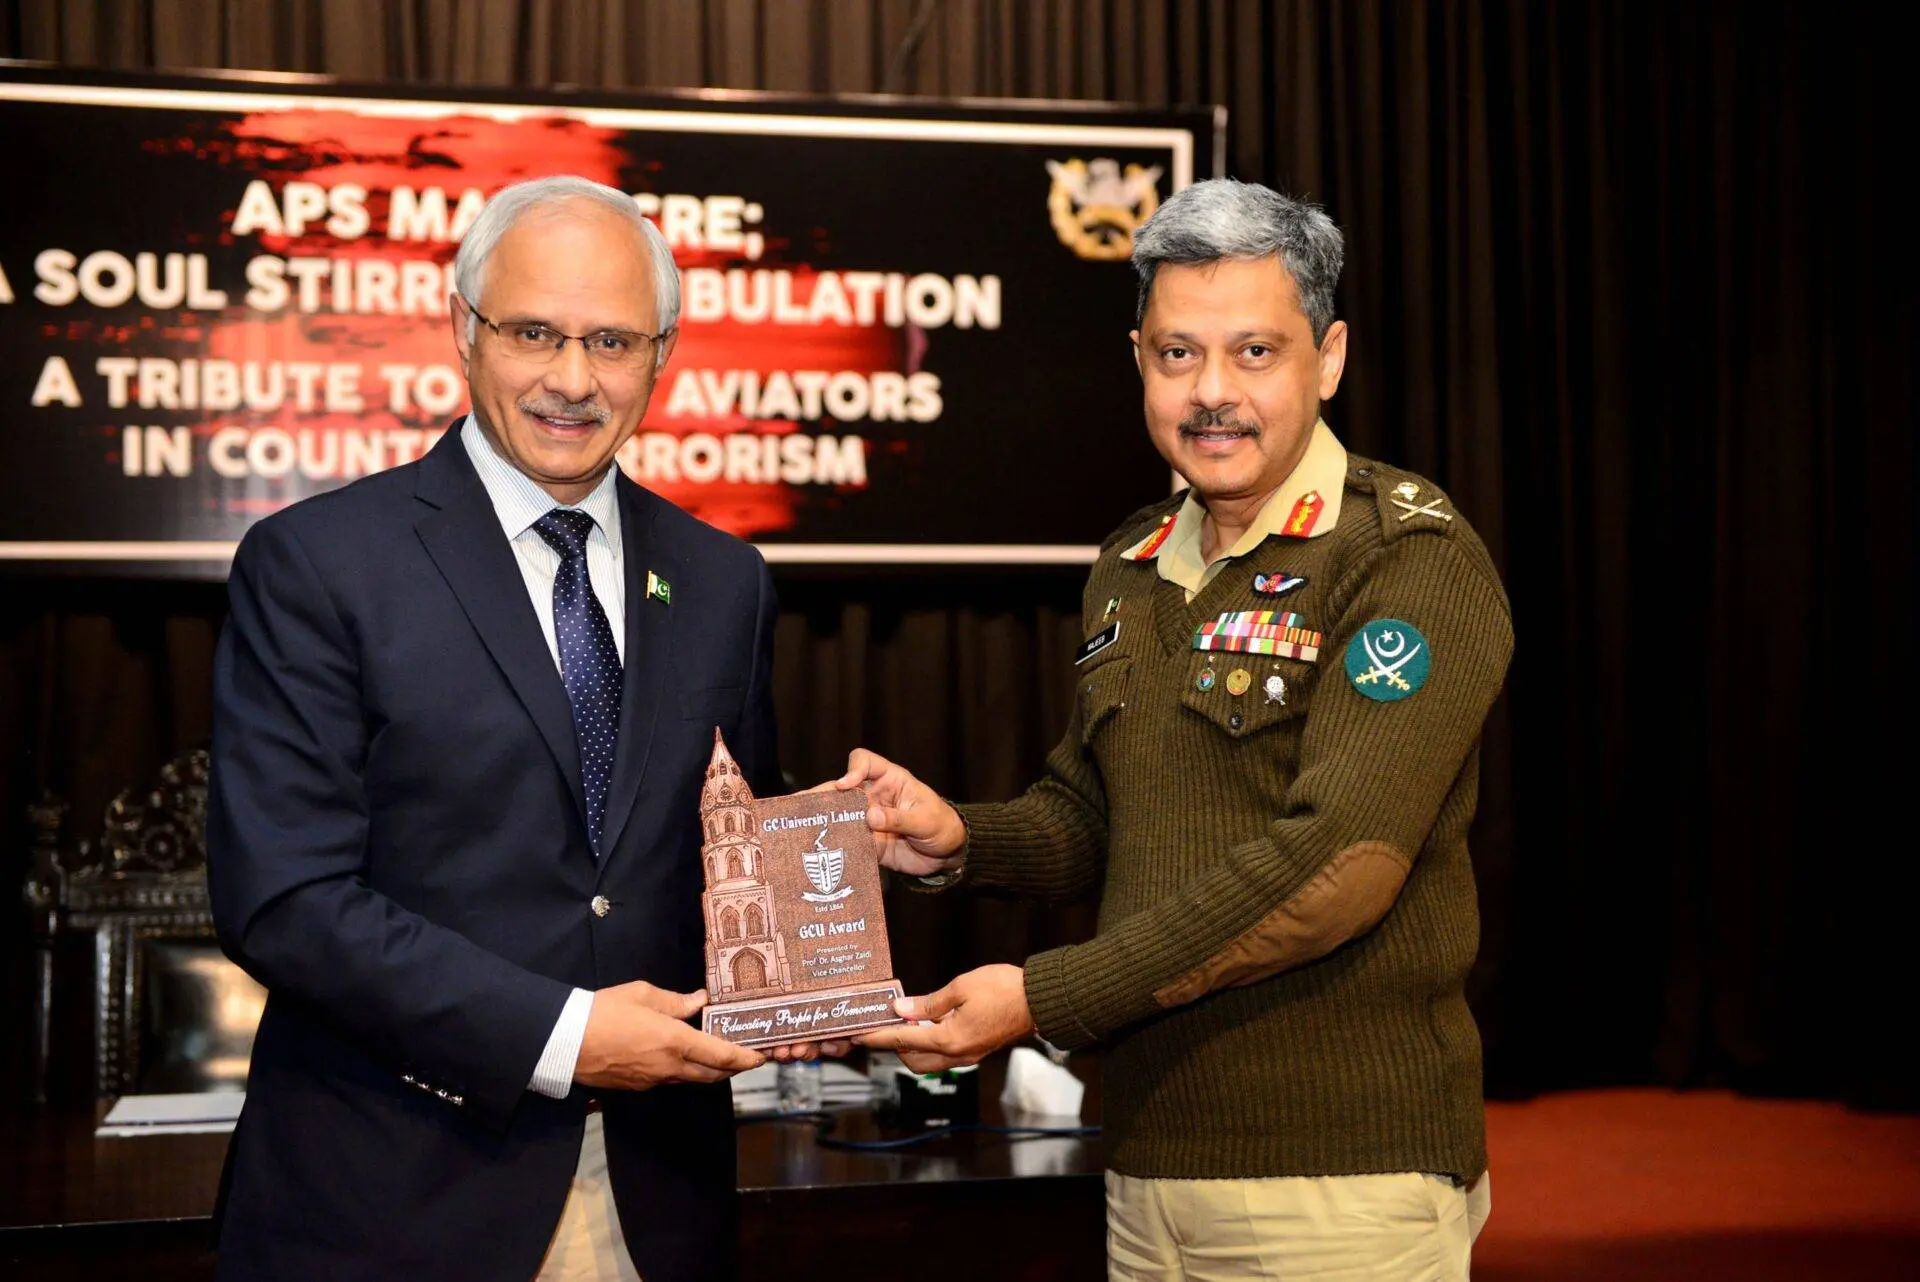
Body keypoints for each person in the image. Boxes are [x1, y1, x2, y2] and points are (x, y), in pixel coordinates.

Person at [839, 178, 1513, 1279]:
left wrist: (1044, 999)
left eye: (1255, 353)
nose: (1212, 394)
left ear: (1328, 359)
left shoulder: (1407, 558)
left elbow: (1334, 866)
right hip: (1147, 1170)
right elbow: (1097, 814)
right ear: (1139, 358)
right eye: (1177, 354)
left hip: (1338, 1185)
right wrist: (956, 838)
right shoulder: (1133, 559)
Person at [208, 176, 787, 1281]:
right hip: (391, 1205)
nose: (574, 380)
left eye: (613, 341)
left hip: (659, 1208)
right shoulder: (319, 564)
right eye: (535, 333)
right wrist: (565, 1035)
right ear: (464, 331)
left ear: (663, 352)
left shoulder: (725, 580)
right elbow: (284, 898)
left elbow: (729, 857)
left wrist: (833, 925)